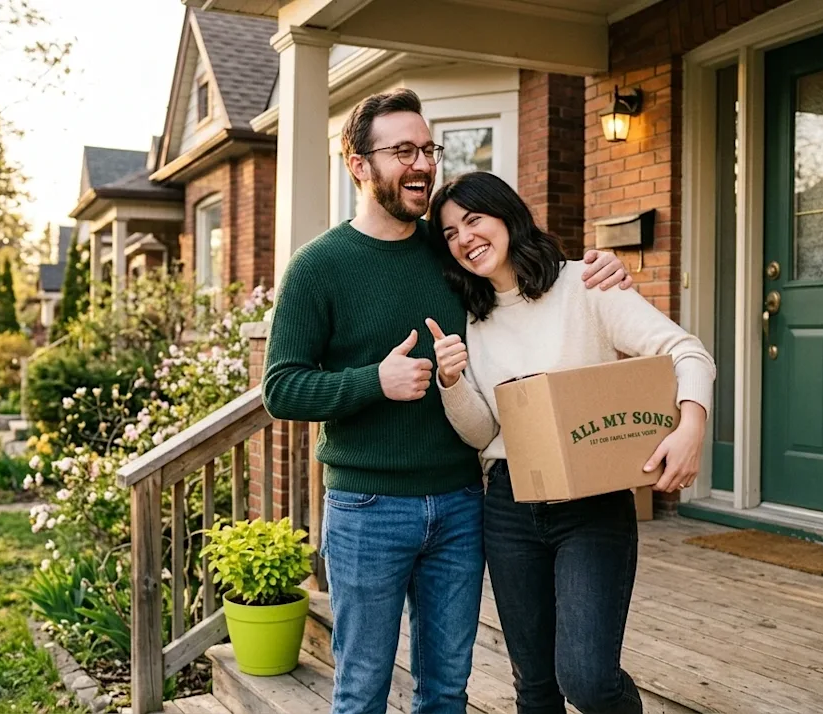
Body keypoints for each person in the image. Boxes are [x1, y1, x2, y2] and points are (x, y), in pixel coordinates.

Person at [261, 89, 633, 714]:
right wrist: (370, 382)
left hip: (463, 503)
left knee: (445, 691)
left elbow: (529, 288)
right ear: (358, 164)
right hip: (367, 508)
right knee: (360, 690)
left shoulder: (453, 250)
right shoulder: (317, 267)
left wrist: (600, 271)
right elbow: (281, 388)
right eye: (402, 150)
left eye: (428, 149)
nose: (422, 164)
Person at [426, 171, 716, 714]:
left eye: (473, 220)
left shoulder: (586, 285)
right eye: (449, 234)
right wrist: (451, 384)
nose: (463, 238)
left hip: (592, 505)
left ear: (507, 215)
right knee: (534, 687)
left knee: (587, 679)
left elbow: (686, 351)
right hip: (509, 505)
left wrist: (691, 426)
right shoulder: (471, 317)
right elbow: (485, 433)